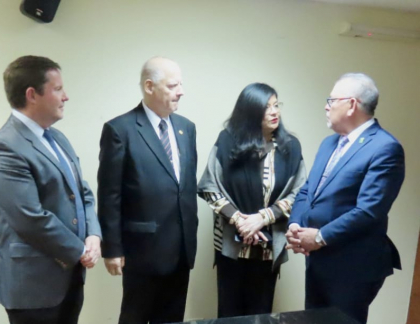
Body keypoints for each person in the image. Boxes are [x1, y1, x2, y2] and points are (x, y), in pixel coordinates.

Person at [0, 55, 101, 324]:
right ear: (32, 94)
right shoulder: (3, 147)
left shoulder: (57, 138)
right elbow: (29, 217)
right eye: (58, 89)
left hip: (70, 277)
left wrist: (93, 234)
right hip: (33, 285)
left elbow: (83, 193)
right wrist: (79, 250)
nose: (66, 96)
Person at [286, 73, 405, 324]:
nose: (326, 106)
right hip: (319, 262)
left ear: (351, 105)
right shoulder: (329, 144)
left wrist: (319, 237)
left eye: (332, 100)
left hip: (353, 266)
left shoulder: (384, 148)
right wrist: (295, 226)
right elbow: (308, 191)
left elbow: (369, 211)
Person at [97, 56, 198, 324]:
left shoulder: (186, 129)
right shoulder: (120, 130)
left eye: (181, 84)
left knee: (173, 317)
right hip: (142, 249)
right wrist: (112, 248)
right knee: (136, 317)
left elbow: (184, 188)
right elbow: (110, 195)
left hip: (182, 248)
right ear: (149, 86)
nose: (181, 91)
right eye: (173, 85)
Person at [197, 83, 306, 317]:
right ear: (250, 111)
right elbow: (209, 186)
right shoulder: (227, 142)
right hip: (231, 247)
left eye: (277, 105)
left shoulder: (290, 148)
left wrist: (262, 218)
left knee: (261, 314)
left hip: (267, 250)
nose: (274, 112)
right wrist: (239, 219)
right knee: (228, 313)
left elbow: (299, 192)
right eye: (267, 107)